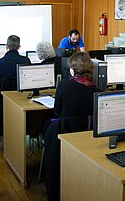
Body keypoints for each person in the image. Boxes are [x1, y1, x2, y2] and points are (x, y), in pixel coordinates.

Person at [44, 52, 101, 201]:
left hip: (65, 136)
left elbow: (56, 112)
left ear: (72, 70)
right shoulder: (98, 92)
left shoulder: (64, 85)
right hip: (87, 138)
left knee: (46, 124)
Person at [0, 35, 31, 136]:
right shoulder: (26, 61)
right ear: (19, 46)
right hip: (23, 98)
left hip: (5, 100)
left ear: (6, 46)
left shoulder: (0, 63)